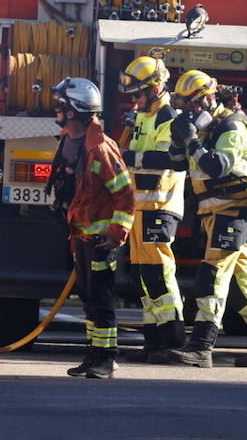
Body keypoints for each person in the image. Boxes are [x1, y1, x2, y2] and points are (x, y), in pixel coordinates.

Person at [166, 70, 247, 367]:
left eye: (193, 105)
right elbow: (177, 164)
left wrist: (192, 140)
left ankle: (200, 347)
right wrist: (178, 141)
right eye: (184, 107)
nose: (190, 112)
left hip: (234, 211)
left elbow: (217, 166)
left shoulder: (233, 129)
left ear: (209, 97)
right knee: (243, 281)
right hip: (213, 212)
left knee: (211, 277)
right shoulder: (206, 128)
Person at [45, 77, 135, 379]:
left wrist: (114, 234)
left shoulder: (101, 150)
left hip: (100, 240)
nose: (55, 109)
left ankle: (107, 357)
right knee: (86, 296)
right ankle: (93, 354)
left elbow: (125, 194)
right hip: (81, 236)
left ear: (72, 111)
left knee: (101, 298)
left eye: (60, 104)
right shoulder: (70, 142)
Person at [115, 56, 189, 363]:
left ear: (157, 87)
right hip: (140, 208)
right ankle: (153, 339)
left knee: (159, 273)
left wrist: (127, 156)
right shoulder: (145, 115)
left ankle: (172, 339)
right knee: (142, 276)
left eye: (139, 94)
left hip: (159, 206)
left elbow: (165, 162)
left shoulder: (168, 118)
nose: (135, 100)